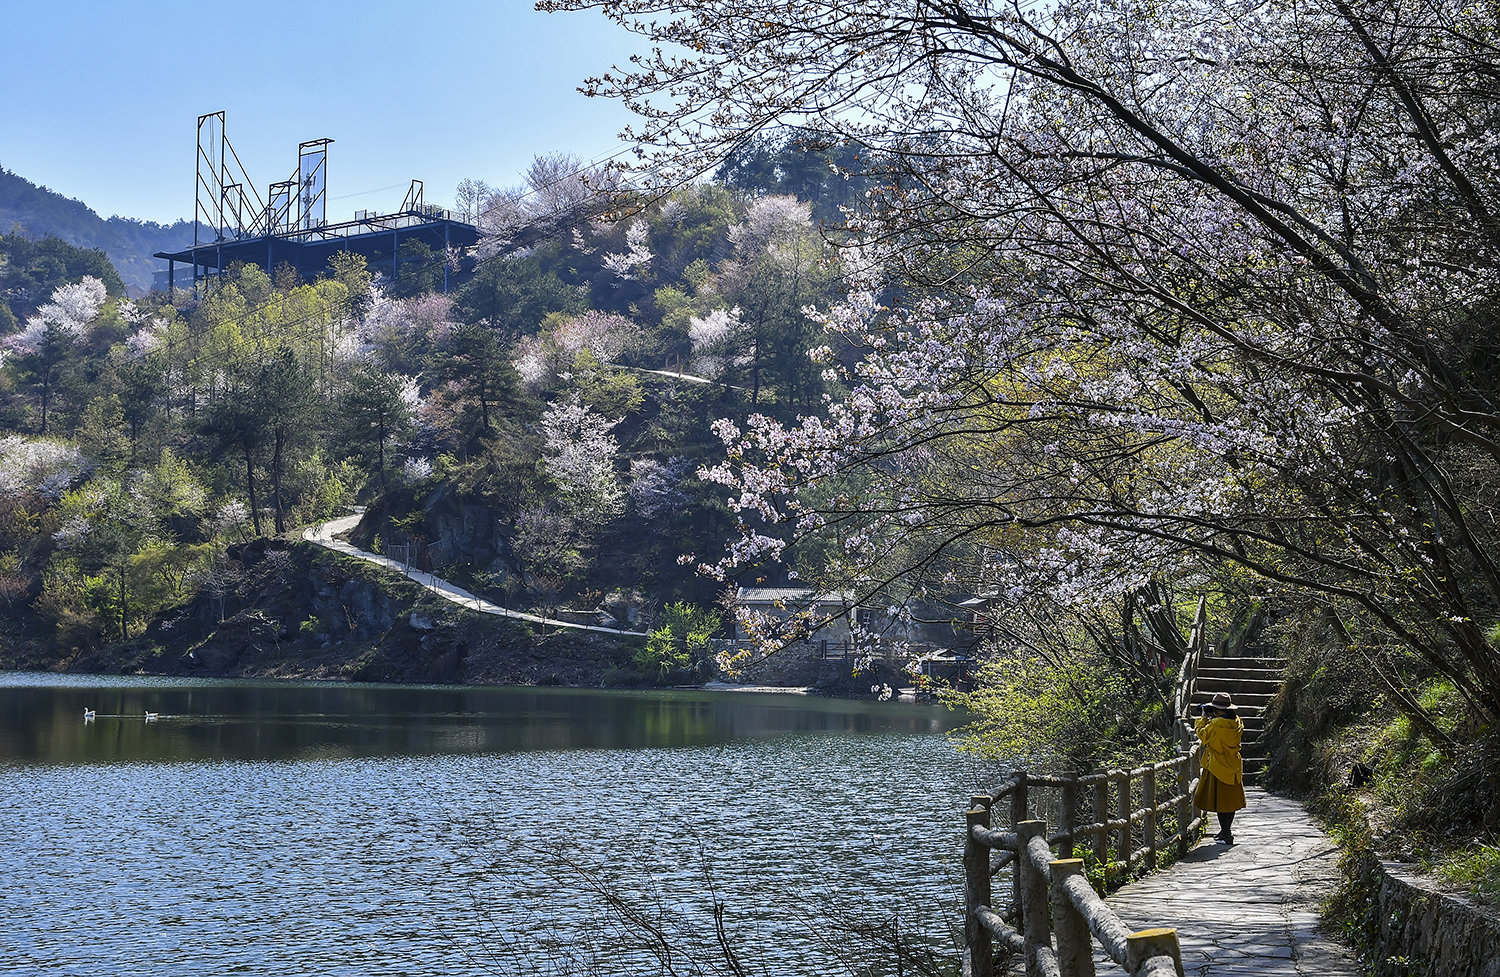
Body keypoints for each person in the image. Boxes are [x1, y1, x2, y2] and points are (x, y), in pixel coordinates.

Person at [1192, 691, 1246, 844]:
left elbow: (1202, 735)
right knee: (1230, 801)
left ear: (1215, 709)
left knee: (1222, 801)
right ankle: (1225, 831)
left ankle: (1226, 834)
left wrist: (1203, 717)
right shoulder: (1237, 722)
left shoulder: (1215, 725)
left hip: (1217, 765)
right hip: (1233, 764)